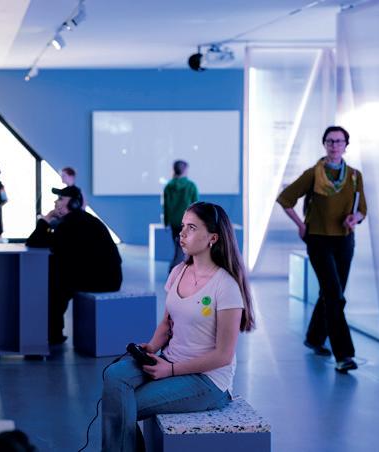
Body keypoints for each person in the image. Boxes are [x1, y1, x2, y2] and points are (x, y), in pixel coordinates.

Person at [101, 202, 255, 451]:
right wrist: (152, 347)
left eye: (191, 228)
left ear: (213, 238)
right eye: (183, 226)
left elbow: (223, 356)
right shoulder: (178, 272)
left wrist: (171, 370)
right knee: (113, 376)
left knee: (123, 404)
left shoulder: (226, 286)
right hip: (168, 360)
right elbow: (167, 322)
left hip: (207, 381)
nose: (181, 233)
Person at [277, 125, 367, 373]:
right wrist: (300, 225)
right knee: (335, 295)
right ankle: (344, 355)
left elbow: (362, 210)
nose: (334, 145)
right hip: (318, 240)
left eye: (339, 141)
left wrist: (355, 218)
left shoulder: (354, 176)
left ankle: (315, 337)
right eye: (330, 141)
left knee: (331, 292)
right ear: (324, 144)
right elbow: (285, 199)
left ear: (346, 145)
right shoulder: (313, 174)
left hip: (344, 240)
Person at [26, 185, 122, 345]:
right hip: (106, 277)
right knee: (57, 273)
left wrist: (46, 218)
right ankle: (53, 332)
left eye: (60, 199)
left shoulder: (72, 223)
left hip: (104, 280)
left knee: (55, 280)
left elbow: (34, 242)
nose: (56, 202)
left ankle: (52, 333)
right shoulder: (79, 220)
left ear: (74, 204)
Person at [163, 160, 198, 272]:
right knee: (183, 249)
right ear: (185, 170)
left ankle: (177, 271)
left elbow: (166, 207)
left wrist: (166, 222)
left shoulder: (168, 187)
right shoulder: (191, 186)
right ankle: (174, 271)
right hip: (188, 223)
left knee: (180, 247)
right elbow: (196, 206)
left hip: (174, 223)